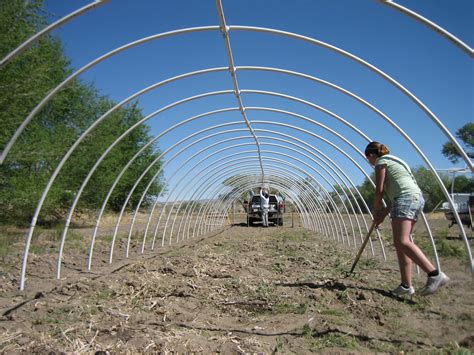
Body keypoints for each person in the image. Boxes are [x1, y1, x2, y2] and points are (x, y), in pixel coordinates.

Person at [365, 141, 449, 296]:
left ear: (371, 155)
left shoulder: (381, 162)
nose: (369, 163)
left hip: (405, 200)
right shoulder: (397, 162)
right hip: (413, 199)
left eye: (368, 159)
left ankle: (434, 274)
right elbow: (395, 197)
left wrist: (376, 211)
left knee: (402, 241)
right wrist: (382, 214)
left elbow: (379, 191)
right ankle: (405, 285)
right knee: (402, 243)